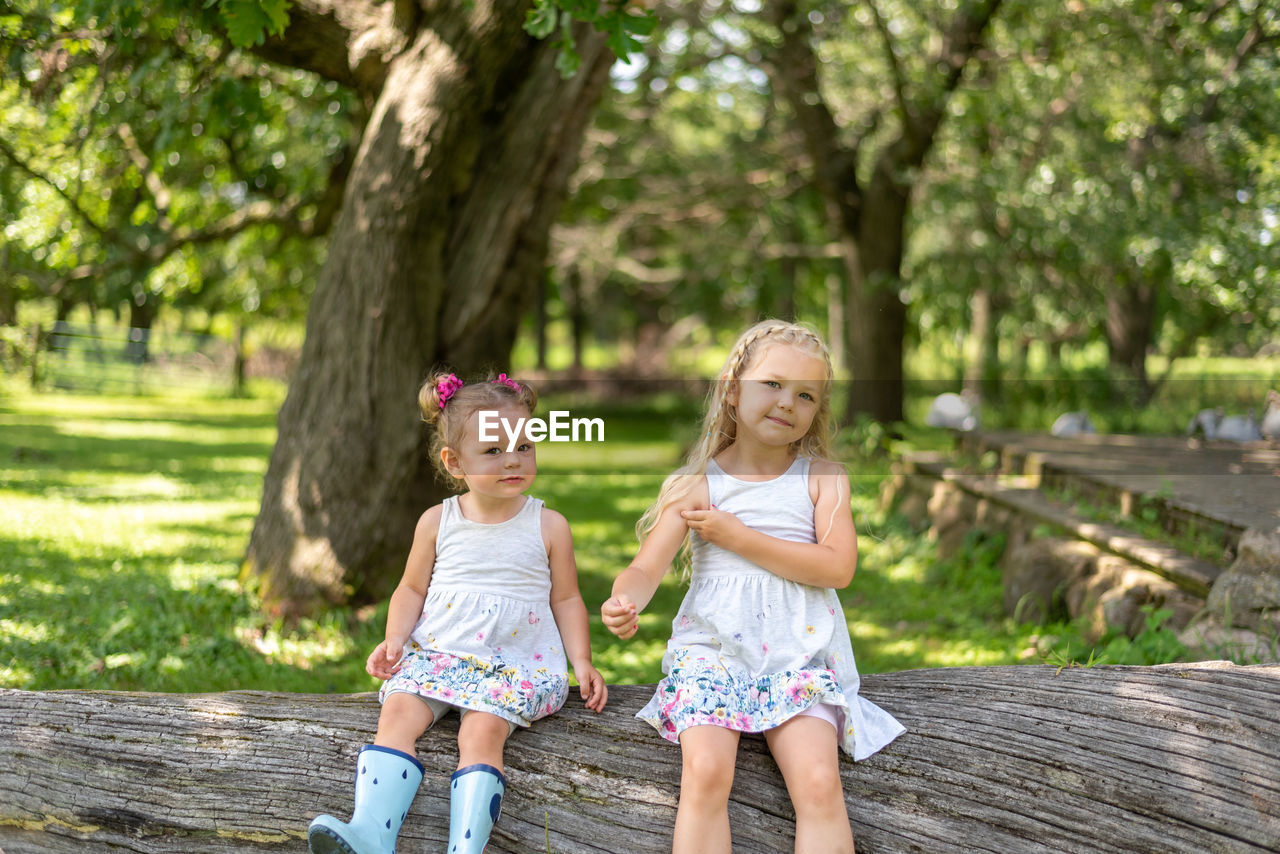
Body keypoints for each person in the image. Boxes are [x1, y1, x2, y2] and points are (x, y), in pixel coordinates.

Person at [601, 320, 904, 854]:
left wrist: (739, 537)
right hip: (711, 655)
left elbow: (837, 569)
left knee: (817, 782)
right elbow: (647, 567)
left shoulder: (822, 478)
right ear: (732, 388)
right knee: (705, 771)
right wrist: (625, 598)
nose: (788, 401)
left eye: (806, 394)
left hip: (798, 655)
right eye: (773, 384)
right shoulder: (698, 484)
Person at [309, 372, 607, 854]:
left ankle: (464, 849)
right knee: (398, 711)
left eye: (524, 446)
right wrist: (394, 639)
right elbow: (410, 588)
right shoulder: (437, 521)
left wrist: (583, 661)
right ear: (455, 462)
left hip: (513, 663)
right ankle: (370, 833)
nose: (513, 459)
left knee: (481, 731)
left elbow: (567, 599)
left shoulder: (548, 525)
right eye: (493, 451)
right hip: (441, 652)